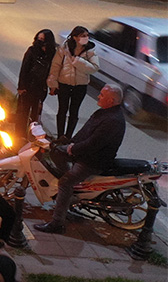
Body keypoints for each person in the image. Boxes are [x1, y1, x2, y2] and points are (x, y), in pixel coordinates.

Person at [35, 84, 126, 235]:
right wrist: (69, 143)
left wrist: (73, 149)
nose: (98, 96)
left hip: (93, 161)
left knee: (65, 182)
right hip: (86, 153)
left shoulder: (112, 120)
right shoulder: (105, 113)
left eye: (102, 95)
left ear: (111, 101)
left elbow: (94, 144)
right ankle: (69, 196)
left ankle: (57, 223)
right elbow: (85, 133)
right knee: (56, 151)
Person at [46, 26, 99, 141]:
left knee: (74, 112)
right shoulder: (64, 48)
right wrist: (53, 83)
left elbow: (94, 68)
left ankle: (68, 137)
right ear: (75, 37)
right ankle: (60, 136)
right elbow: (56, 66)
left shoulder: (90, 51)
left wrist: (78, 61)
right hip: (64, 84)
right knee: (62, 110)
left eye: (87, 36)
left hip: (80, 86)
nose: (86, 38)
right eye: (82, 36)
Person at [14, 30, 57, 138]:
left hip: (41, 88)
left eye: (43, 39)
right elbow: (24, 69)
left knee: (36, 114)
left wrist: (53, 86)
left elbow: (53, 71)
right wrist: (21, 86)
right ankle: (19, 135)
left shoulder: (52, 54)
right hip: (28, 87)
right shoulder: (32, 51)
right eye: (39, 39)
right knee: (22, 112)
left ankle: (33, 135)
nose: (40, 41)